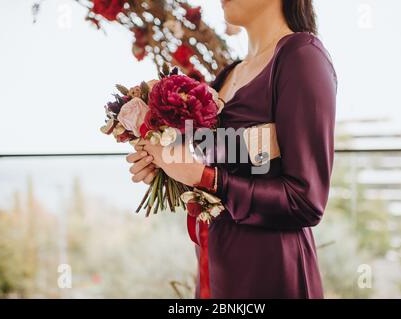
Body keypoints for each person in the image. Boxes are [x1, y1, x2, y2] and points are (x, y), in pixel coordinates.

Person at [126, 0, 337, 298]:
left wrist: (206, 177)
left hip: (271, 269)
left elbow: (305, 200)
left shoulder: (301, 57)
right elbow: (221, 165)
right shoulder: (229, 74)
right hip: (216, 266)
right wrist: (165, 165)